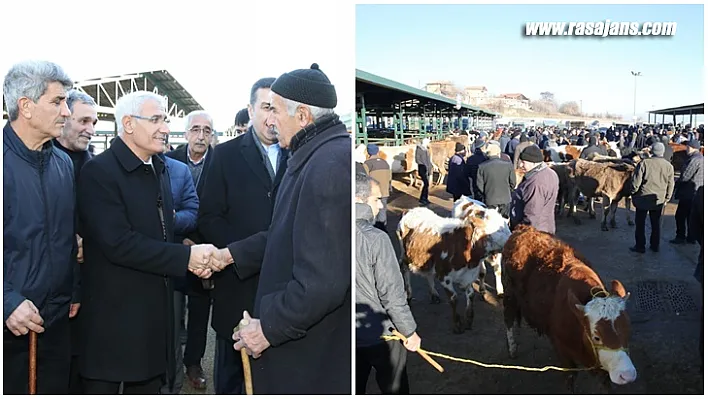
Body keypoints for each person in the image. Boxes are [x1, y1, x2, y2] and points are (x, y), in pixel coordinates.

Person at [220, 64, 351, 394]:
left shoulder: (328, 167)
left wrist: (268, 329)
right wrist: (230, 254)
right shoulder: (312, 156)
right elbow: (284, 235)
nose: (270, 120)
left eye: (274, 110)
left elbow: (322, 283)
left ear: (303, 115)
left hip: (311, 358)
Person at [76, 90, 217, 394]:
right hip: (113, 324)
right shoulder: (99, 172)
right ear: (128, 124)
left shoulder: (159, 169)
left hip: (155, 319)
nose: (165, 127)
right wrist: (185, 259)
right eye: (155, 119)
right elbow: (119, 243)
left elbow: (162, 234)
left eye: (165, 119)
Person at [198, 77, 289, 395]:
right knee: (233, 380)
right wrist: (239, 252)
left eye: (278, 108)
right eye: (265, 107)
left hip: (286, 294)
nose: (271, 116)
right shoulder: (223, 156)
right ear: (250, 110)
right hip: (238, 289)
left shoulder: (300, 156)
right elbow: (207, 218)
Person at [3, 60, 79, 394]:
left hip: (57, 322)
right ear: (26, 107)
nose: (67, 111)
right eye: (57, 101)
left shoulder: (63, 163)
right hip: (10, 329)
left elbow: (68, 237)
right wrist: (5, 302)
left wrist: (73, 290)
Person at [166, 110, 218, 390]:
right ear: (185, 133)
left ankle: (193, 362)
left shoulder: (220, 163)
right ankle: (169, 365)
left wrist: (198, 243)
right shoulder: (167, 160)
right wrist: (181, 240)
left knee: (199, 312)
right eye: (195, 129)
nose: (201, 136)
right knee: (171, 313)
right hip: (173, 248)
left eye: (207, 130)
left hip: (206, 250)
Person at [355, 174, 420, 394]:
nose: (380, 205)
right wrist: (409, 331)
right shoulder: (376, 238)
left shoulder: (327, 234)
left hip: (345, 335)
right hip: (379, 331)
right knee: (394, 387)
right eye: (376, 199)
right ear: (359, 199)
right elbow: (391, 294)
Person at [52, 88, 98, 394]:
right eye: (83, 121)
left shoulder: (97, 167)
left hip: (91, 289)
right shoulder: (46, 163)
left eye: (94, 122)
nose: (91, 130)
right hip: (54, 291)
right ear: (65, 117)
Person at [159, 139, 199, 395]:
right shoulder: (111, 168)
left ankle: (172, 387)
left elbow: (192, 211)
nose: (161, 130)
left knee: (171, 334)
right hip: (132, 269)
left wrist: (173, 218)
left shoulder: (178, 170)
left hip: (169, 265)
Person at [629, 143, 675, 253]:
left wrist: (633, 193)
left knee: (640, 223)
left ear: (652, 151)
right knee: (656, 223)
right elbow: (671, 184)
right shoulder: (668, 166)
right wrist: (667, 198)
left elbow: (636, 182)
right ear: (662, 152)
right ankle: (655, 246)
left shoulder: (644, 163)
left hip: (642, 198)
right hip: (658, 199)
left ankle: (640, 246)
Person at [510, 146, 559, 234]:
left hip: (534, 234)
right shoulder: (551, 173)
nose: (520, 165)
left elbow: (531, 215)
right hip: (546, 227)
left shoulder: (536, 183)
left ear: (533, 162)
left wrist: (519, 234)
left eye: (523, 162)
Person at [670, 140, 704, 245]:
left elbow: (685, 176)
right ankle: (691, 237)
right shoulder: (702, 159)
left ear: (693, 148)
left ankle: (680, 236)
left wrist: (676, 185)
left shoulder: (693, 160)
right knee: (691, 216)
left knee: (680, 215)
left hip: (688, 192)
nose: (686, 149)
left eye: (688, 147)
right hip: (697, 192)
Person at [477, 143, 516, 217]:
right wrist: (508, 190)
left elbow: (479, 185)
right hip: (505, 198)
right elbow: (513, 183)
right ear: (499, 153)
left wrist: (486, 193)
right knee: (504, 220)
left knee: (491, 220)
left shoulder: (482, 166)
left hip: (490, 198)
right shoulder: (508, 165)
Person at [364, 143, 392, 231]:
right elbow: (389, 178)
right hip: (384, 192)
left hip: (373, 193)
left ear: (368, 153)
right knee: (382, 210)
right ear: (378, 152)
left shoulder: (367, 164)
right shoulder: (385, 162)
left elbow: (365, 178)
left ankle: (373, 231)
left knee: (373, 212)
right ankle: (383, 230)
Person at [415, 138, 433, 205]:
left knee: (426, 184)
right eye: (428, 142)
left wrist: (430, 166)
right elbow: (417, 159)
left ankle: (425, 198)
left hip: (427, 169)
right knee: (426, 184)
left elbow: (428, 160)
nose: (429, 144)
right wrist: (424, 165)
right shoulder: (419, 149)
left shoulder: (426, 149)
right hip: (423, 169)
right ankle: (422, 199)